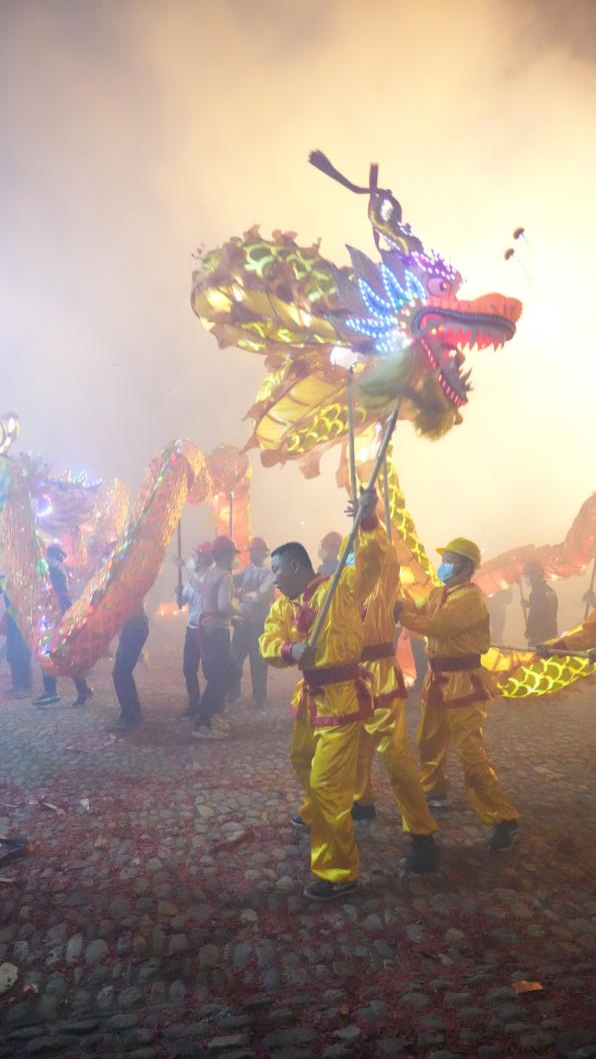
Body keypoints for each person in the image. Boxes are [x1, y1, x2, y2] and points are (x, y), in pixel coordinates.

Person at [260, 488, 383, 903]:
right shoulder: (284, 606)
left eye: (277, 570)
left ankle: (338, 870)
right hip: (309, 698)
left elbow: (371, 563)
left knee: (327, 785)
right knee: (301, 760)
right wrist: (289, 650)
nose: (274, 578)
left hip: (342, 700)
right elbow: (268, 642)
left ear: (295, 566)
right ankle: (317, 811)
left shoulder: (341, 588)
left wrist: (368, 521)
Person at [395, 538, 519, 853]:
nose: (444, 565)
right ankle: (434, 790)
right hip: (437, 679)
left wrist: (402, 616)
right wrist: (398, 598)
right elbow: (420, 606)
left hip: (464, 681)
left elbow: (438, 627)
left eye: (449, 561)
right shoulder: (441, 593)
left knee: (469, 752)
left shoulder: (470, 598)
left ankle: (503, 818)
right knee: (428, 739)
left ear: (464, 567)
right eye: (444, 560)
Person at [353, 531, 439, 872]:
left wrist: (369, 523)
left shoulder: (383, 588)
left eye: (362, 560)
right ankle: (361, 802)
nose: (357, 566)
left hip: (380, 676)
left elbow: (386, 558)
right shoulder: (344, 594)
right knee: (357, 747)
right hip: (352, 678)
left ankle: (422, 833)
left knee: (396, 757)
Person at [33, 545, 93, 707]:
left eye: (47, 555)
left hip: (58, 613)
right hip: (59, 611)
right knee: (58, 653)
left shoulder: (54, 567)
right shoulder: (60, 568)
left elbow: (41, 575)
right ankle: (76, 690)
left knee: (55, 652)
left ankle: (56, 692)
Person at [192, 536, 239, 740]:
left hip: (208, 628)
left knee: (230, 671)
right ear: (227, 555)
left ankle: (214, 714)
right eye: (232, 554)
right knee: (219, 677)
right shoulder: (225, 576)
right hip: (218, 631)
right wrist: (240, 612)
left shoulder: (211, 574)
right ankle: (203, 722)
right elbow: (224, 606)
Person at [228, 537, 276, 708]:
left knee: (258, 663)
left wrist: (239, 594)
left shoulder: (269, 573)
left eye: (256, 551)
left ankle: (259, 697)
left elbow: (261, 595)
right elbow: (233, 580)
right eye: (252, 551)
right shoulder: (248, 570)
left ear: (265, 553)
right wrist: (227, 573)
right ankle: (233, 692)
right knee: (234, 659)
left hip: (259, 624)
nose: (253, 554)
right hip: (243, 622)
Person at [176, 542, 213, 719]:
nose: (193, 558)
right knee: (188, 669)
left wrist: (184, 568)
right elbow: (182, 602)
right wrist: (178, 593)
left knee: (209, 672)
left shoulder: (209, 577)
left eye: (196, 555)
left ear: (204, 559)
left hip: (205, 630)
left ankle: (210, 705)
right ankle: (194, 704)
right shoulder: (193, 578)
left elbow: (199, 587)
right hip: (191, 630)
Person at [111, 603, 150, 731]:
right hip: (134, 626)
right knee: (123, 673)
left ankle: (131, 716)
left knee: (120, 673)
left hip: (134, 626)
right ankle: (132, 713)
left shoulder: (123, 591)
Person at [0, 578, 32, 697]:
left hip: (17, 616)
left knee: (17, 651)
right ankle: (23, 685)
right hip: (19, 614)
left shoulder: (10, 575)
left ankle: (20, 686)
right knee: (20, 649)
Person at [522, 561, 559, 646]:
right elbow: (545, 607)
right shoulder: (550, 590)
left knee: (533, 654)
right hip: (552, 632)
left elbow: (534, 615)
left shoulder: (536, 593)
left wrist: (529, 631)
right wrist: (529, 604)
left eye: (529, 575)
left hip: (539, 635)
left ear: (536, 575)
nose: (527, 578)